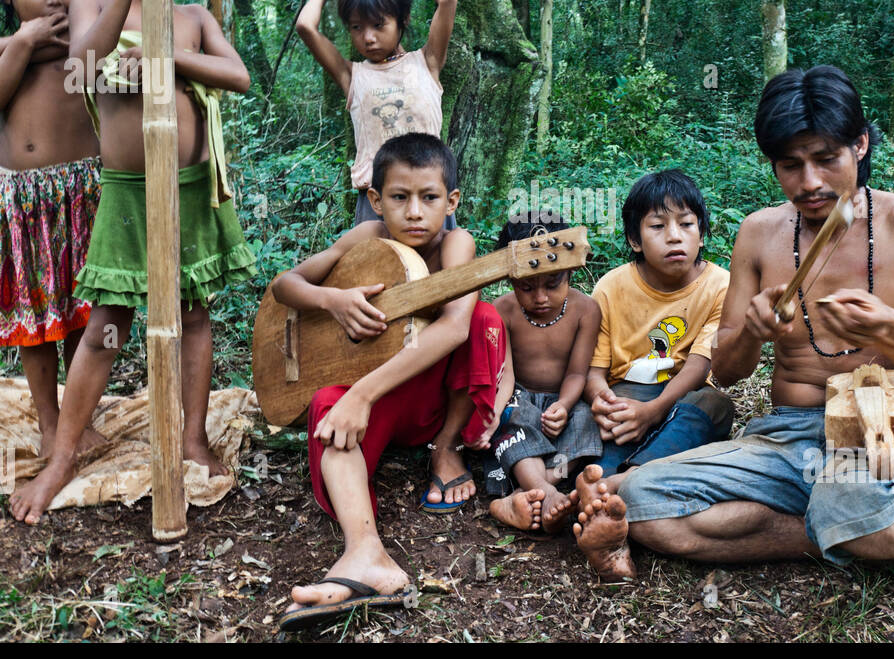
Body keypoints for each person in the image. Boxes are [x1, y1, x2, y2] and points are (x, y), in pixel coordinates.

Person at [575, 66, 894, 595]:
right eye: (790, 165)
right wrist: (752, 332)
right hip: (787, 431)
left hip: (878, 413)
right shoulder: (760, 233)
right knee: (646, 507)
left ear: (859, 145)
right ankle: (870, 533)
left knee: (854, 503)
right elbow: (726, 369)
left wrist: (893, 330)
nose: (809, 183)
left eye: (826, 159)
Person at [9, 0, 256, 524]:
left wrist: (170, 54)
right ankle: (62, 456)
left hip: (193, 190)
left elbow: (239, 76)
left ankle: (193, 438)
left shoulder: (194, 18)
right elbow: (84, 68)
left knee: (194, 315)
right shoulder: (95, 1)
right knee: (107, 326)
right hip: (125, 192)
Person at [274, 134, 510, 630]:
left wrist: (361, 395)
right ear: (376, 200)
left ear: (452, 202)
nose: (415, 212)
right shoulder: (364, 237)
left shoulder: (456, 243)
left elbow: (453, 327)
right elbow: (285, 285)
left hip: (430, 405)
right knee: (324, 403)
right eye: (399, 198)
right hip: (380, 405)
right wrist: (331, 302)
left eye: (429, 198)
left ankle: (447, 450)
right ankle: (366, 552)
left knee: (483, 316)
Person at [0, 0, 100, 458]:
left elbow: (96, 58)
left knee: (81, 314)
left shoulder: (83, 44)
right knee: (36, 320)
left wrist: (22, 45)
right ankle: (49, 425)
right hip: (23, 201)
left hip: (83, 193)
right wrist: (19, 43)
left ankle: (78, 420)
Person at [570, 171, 735, 552]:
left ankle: (615, 486)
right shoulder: (612, 285)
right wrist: (602, 400)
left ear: (702, 233)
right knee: (613, 423)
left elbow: (700, 365)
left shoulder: (719, 285)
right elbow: (595, 370)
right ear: (634, 239)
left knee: (715, 405)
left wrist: (656, 410)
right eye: (658, 226)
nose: (674, 236)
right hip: (625, 397)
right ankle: (606, 490)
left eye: (687, 224)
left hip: (681, 398)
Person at [295, 0, 456, 227]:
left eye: (378, 25)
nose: (368, 37)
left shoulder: (427, 62)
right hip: (377, 203)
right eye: (357, 27)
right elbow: (305, 27)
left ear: (402, 19)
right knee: (378, 268)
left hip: (430, 195)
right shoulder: (352, 76)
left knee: (443, 267)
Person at [484, 212, 602, 534]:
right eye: (526, 286)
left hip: (564, 397)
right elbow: (503, 375)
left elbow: (578, 373)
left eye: (553, 284)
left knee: (585, 420)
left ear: (571, 272)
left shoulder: (586, 310)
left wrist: (564, 404)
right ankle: (548, 492)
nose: (540, 297)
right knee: (515, 421)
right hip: (519, 393)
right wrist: (497, 413)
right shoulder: (502, 310)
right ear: (510, 280)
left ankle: (536, 486)